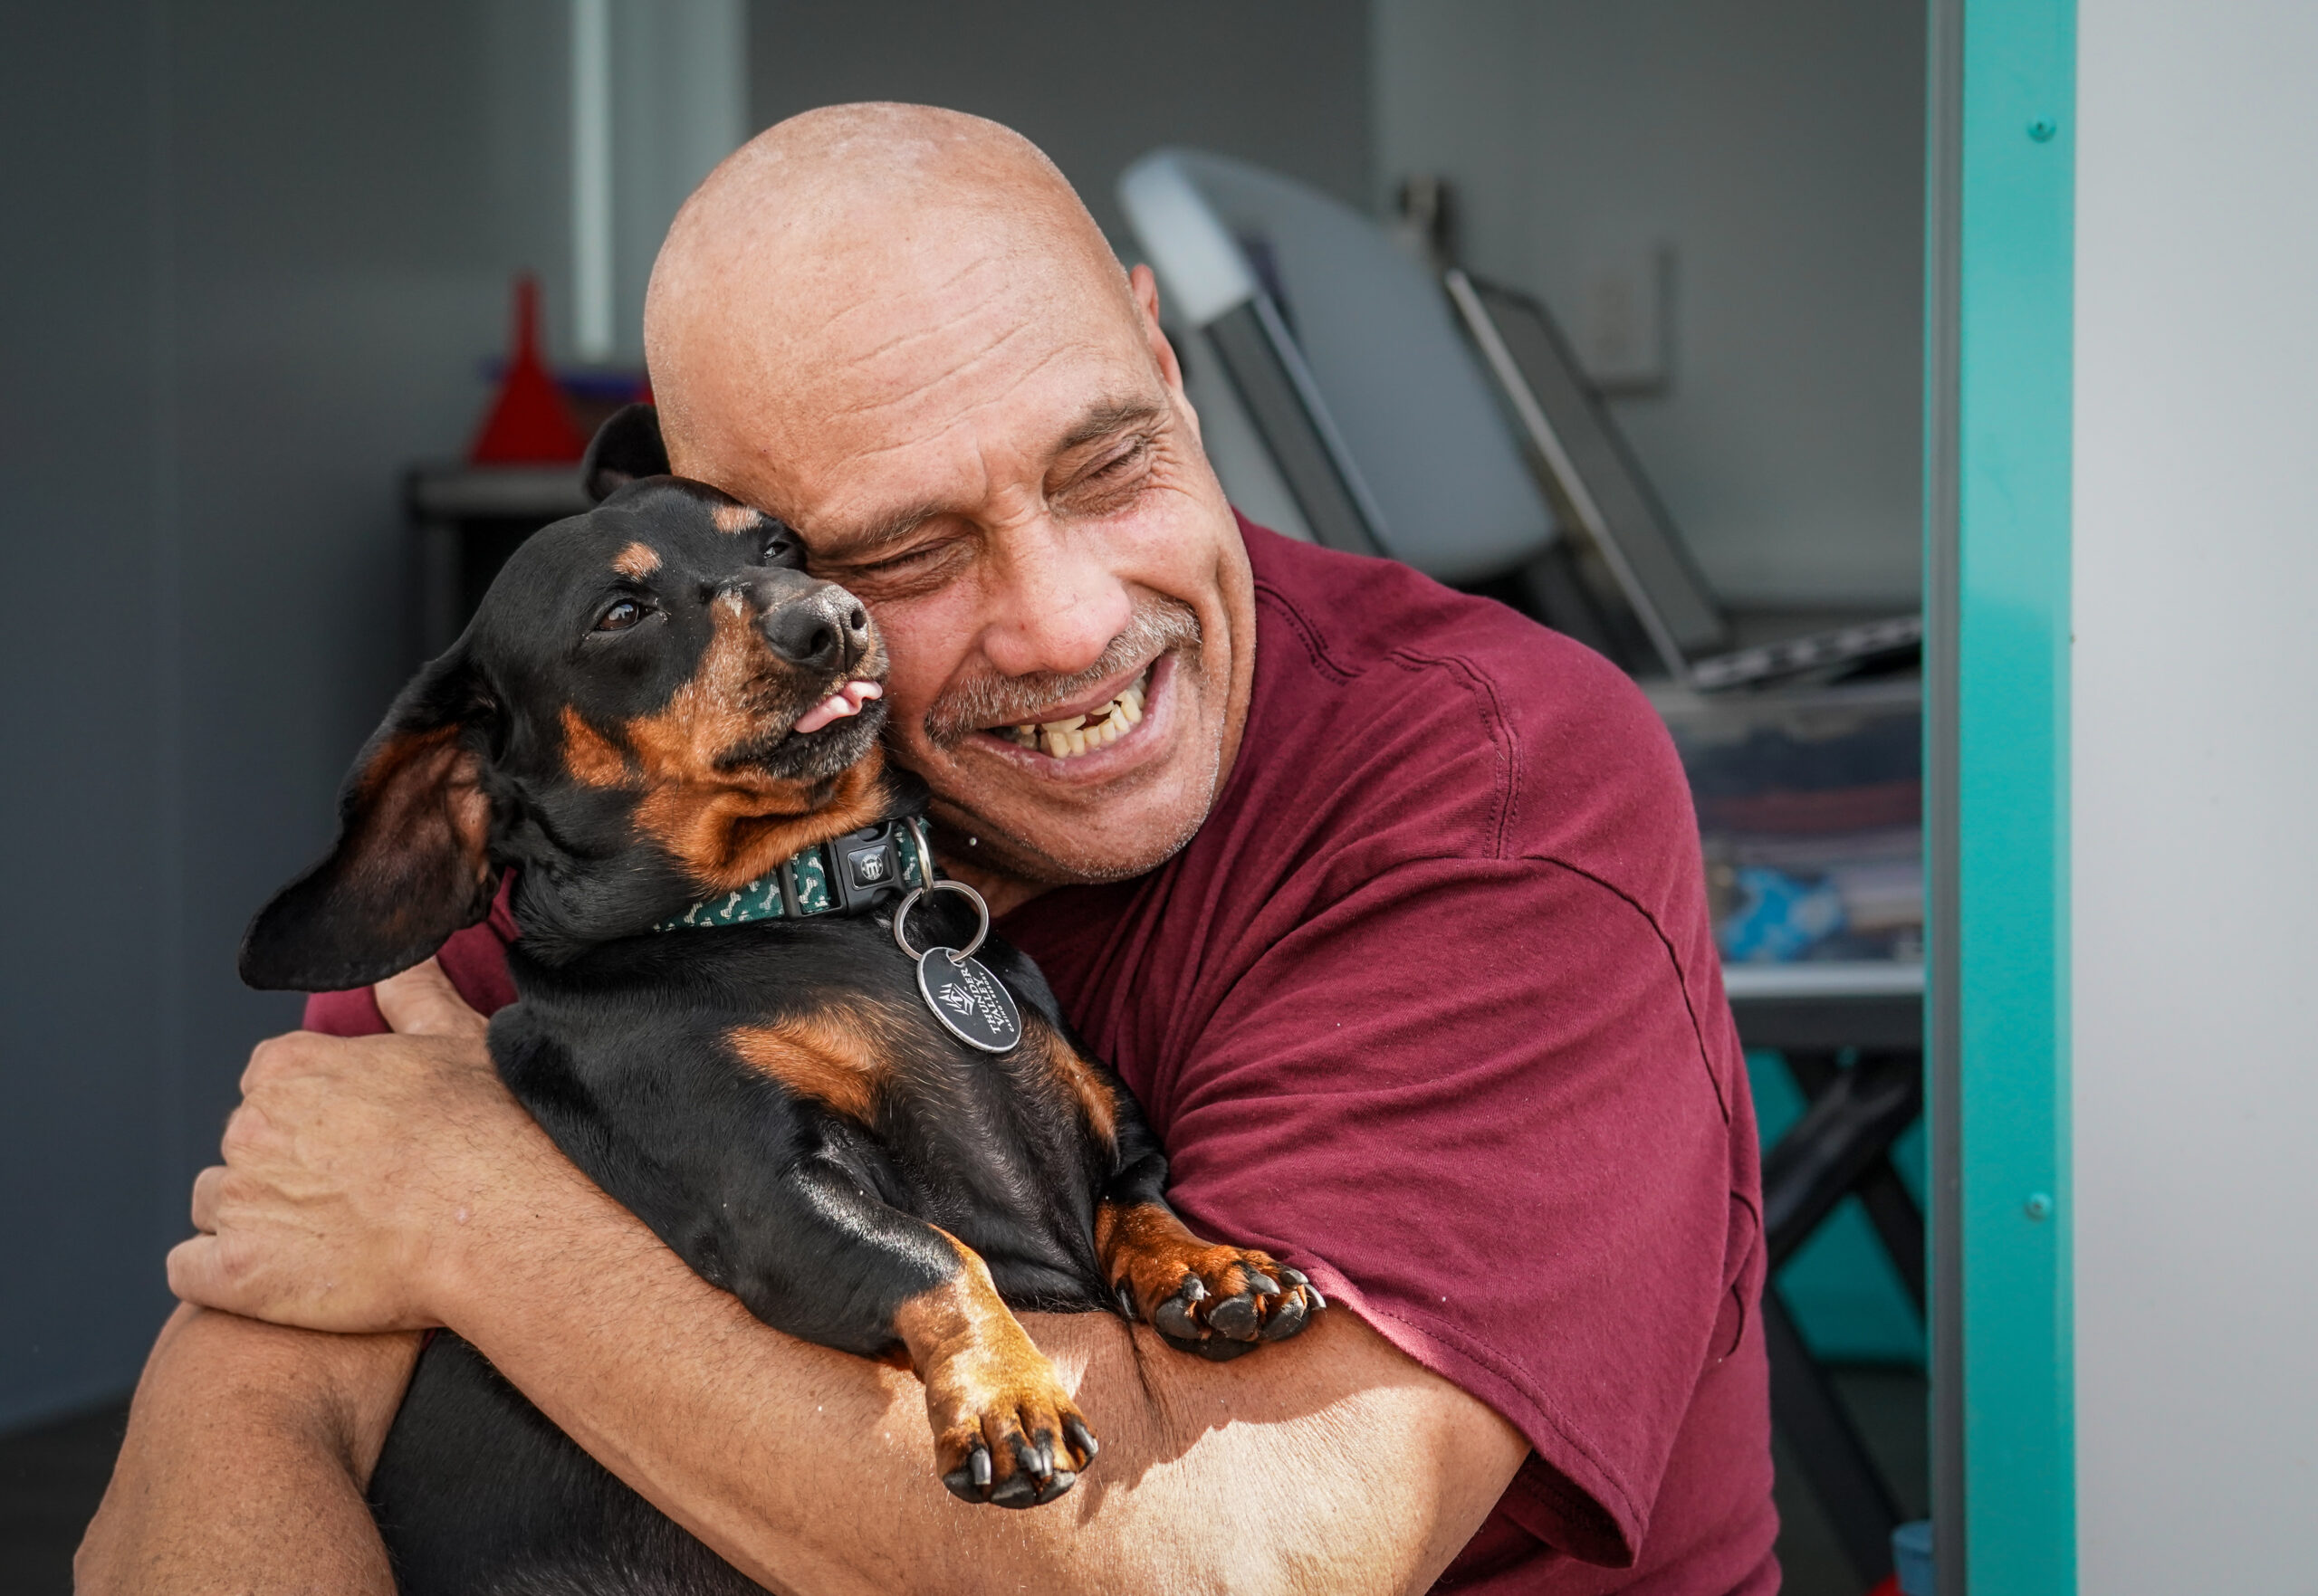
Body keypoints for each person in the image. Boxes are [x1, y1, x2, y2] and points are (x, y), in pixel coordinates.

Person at [78, 104, 1776, 1595]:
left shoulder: (1485, 786)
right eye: (904, 554)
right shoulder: (639, 821)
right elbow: (243, 1406)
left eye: (1108, 462)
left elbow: (1249, 1563)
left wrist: (472, 1219)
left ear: (1163, 360)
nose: (1069, 624)